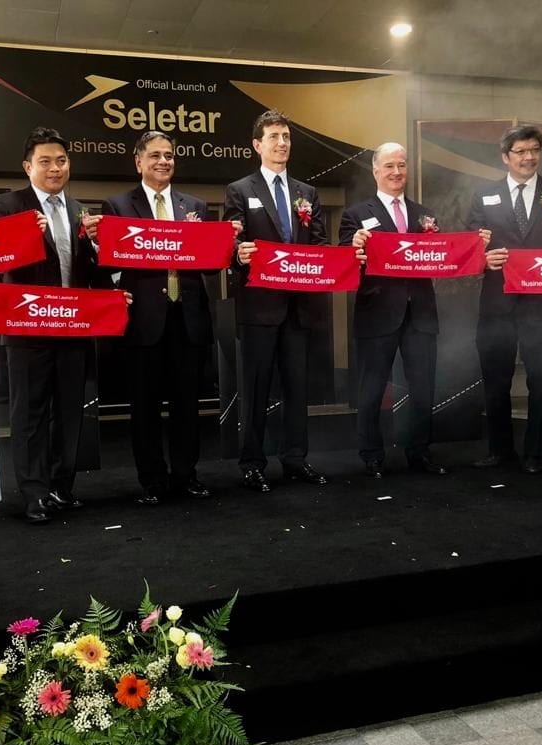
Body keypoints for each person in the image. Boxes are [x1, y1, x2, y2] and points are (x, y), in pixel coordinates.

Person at [102, 130, 240, 506]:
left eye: (169, 155)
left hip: (188, 320)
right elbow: (109, 263)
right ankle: (152, 480)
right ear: (138, 162)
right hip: (144, 322)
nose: (164, 161)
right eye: (155, 155)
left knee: (187, 406)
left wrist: (222, 244)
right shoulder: (118, 206)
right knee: (144, 407)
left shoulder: (194, 205)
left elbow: (210, 267)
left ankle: (185, 475)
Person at [0, 127, 102, 524]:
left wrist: (101, 253)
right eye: (46, 161)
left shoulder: (81, 210)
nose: (55, 168)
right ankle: (34, 493)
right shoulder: (7, 206)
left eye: (62, 161)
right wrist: (22, 236)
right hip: (27, 328)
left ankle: (61, 487)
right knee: (30, 415)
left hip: (74, 327)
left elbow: (89, 271)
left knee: (69, 413)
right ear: (28, 166)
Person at [341, 142, 462, 478]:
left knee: (423, 388)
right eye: (389, 166)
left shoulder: (426, 215)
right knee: (371, 389)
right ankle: (371, 456)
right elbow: (344, 261)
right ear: (375, 171)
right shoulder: (355, 215)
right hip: (377, 314)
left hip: (420, 314)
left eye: (402, 165)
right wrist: (353, 247)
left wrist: (473, 248)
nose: (397, 172)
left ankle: (419, 453)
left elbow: (441, 256)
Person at [467, 124, 542, 474]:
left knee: (540, 379)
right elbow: (470, 244)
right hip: (497, 300)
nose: (529, 157)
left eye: (534, 150)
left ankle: (536, 452)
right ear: (506, 157)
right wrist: (482, 256)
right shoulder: (484, 194)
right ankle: (500, 450)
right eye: (521, 151)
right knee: (496, 379)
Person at [224, 110, 329, 493]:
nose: (282, 143)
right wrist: (239, 253)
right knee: (255, 389)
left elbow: (319, 244)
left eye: (286, 136)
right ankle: (252, 463)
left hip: (299, 307)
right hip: (258, 307)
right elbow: (231, 241)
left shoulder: (308, 193)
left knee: (297, 389)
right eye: (274, 137)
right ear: (257, 144)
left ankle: (295, 459)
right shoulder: (240, 190)